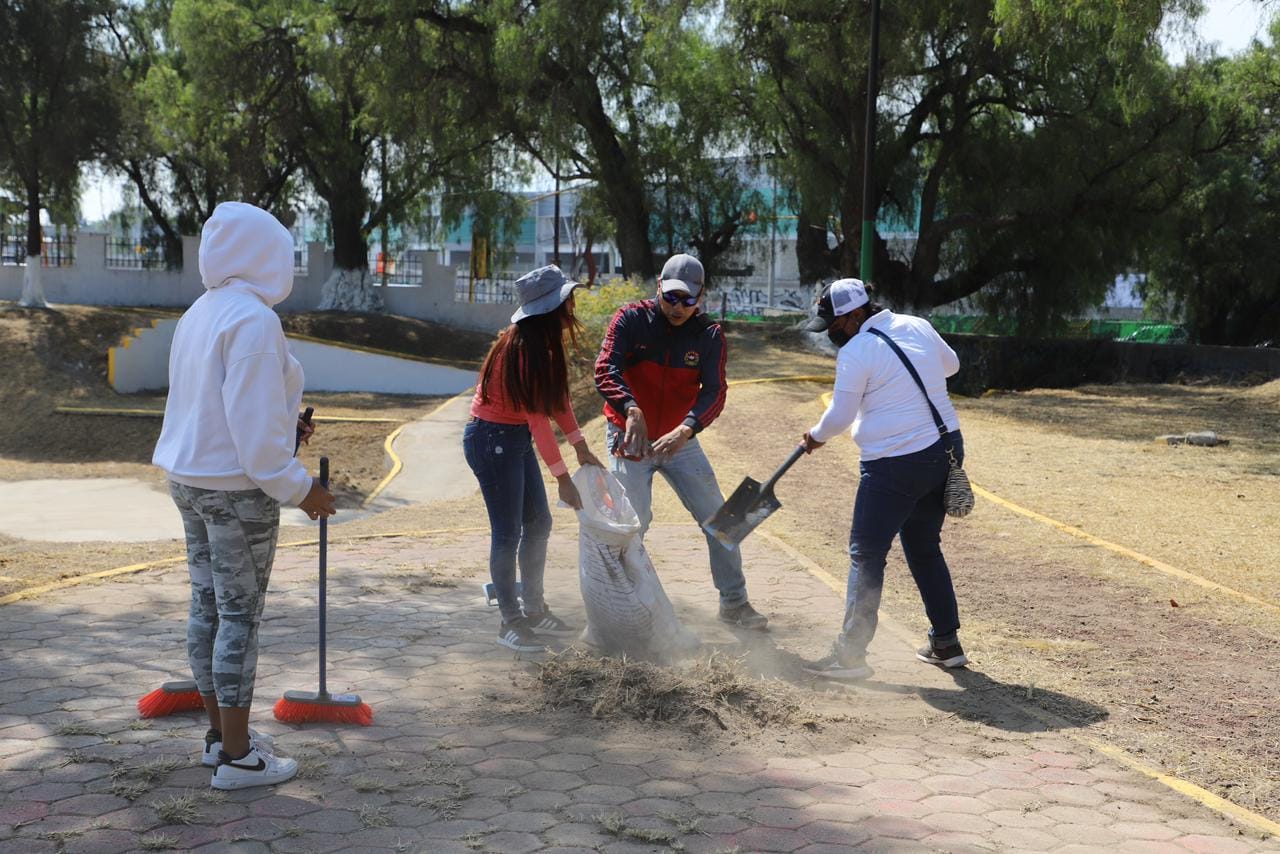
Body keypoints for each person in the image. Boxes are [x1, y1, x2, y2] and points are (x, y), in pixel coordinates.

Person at [153, 201, 336, 790]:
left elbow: (216, 410)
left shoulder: (201, 312)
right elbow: (255, 445)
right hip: (238, 491)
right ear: (264, 256)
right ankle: (239, 759)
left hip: (190, 481)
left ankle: (219, 739)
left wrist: (287, 432)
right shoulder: (254, 321)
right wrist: (303, 490)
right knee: (239, 616)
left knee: (207, 607)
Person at [797, 278, 968, 681]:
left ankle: (850, 656)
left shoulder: (857, 350)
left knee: (866, 552)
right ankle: (946, 643)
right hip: (945, 448)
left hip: (895, 462)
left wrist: (815, 437)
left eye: (835, 326)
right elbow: (952, 366)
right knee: (924, 546)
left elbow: (840, 416)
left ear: (856, 315)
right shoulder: (916, 324)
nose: (833, 336)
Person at [594, 253, 767, 630]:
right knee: (631, 525)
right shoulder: (630, 319)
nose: (678, 307)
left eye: (688, 300)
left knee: (727, 519)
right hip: (629, 437)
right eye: (671, 297)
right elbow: (605, 368)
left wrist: (687, 428)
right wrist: (631, 409)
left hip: (681, 441)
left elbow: (715, 393)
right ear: (658, 286)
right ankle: (624, 610)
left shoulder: (709, 335)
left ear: (701, 296)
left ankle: (735, 604)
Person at [465, 264, 603, 654]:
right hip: (491, 440)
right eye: (566, 299)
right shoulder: (522, 350)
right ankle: (510, 622)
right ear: (549, 308)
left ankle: (535, 608)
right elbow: (539, 421)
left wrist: (579, 444)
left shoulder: (543, 344)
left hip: (512, 437)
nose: (572, 304)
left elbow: (557, 400)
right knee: (507, 533)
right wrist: (562, 476)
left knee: (538, 521)